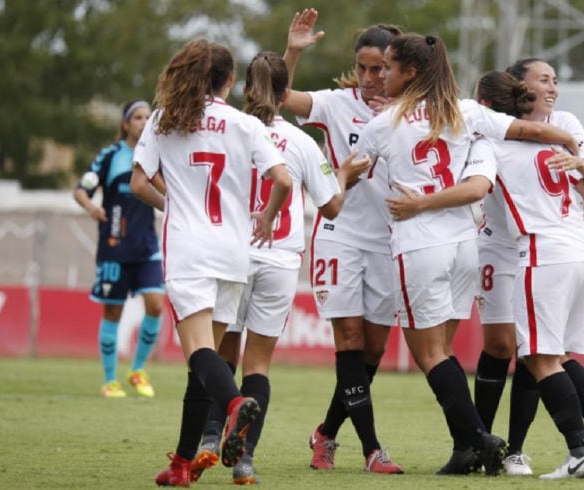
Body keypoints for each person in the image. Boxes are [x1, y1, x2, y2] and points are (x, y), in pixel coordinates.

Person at [357, 33, 580, 476]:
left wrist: (331, 179)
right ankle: (465, 449)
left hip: (418, 243)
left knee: (429, 355)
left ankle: (479, 439)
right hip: (464, 248)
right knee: (445, 351)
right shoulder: (465, 111)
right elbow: (530, 129)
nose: (382, 76)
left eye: (389, 67)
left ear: (411, 72)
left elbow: (350, 170)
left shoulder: (383, 124)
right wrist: (570, 141)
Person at [187, 51, 371, 485]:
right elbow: (332, 206)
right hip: (279, 260)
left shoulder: (228, 128)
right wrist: (342, 175)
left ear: (244, 88)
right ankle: (246, 457)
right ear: (286, 92)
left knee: (218, 356)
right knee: (258, 366)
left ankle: (211, 438)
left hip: (231, 256)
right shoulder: (302, 142)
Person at [129, 38, 292, 487]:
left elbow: (138, 183)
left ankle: (235, 404)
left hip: (189, 248)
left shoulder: (166, 118)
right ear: (229, 80)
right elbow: (282, 179)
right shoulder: (245, 124)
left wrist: (174, 202)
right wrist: (267, 215)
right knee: (202, 363)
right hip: (234, 250)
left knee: (199, 353)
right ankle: (182, 465)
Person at [474, 60, 584, 477]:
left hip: (541, 252)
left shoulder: (492, 143)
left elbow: (476, 188)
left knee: (539, 358)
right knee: (555, 354)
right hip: (579, 247)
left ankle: (580, 452)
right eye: (545, 80)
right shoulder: (553, 139)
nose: (553, 88)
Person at [281, 9, 404, 473]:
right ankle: (373, 449)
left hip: (389, 241)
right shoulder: (335, 104)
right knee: (349, 339)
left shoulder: (410, 112)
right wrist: (293, 50)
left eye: (380, 68)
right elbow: (277, 98)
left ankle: (326, 432)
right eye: (364, 68)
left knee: (371, 351)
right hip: (339, 234)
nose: (371, 78)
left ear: (397, 68)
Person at [73, 99, 165, 399]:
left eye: (148, 117)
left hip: (147, 246)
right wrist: (91, 208)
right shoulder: (110, 155)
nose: (143, 122)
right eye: (137, 117)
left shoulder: (156, 154)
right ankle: (110, 379)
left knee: (155, 304)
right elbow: (81, 189)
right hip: (114, 245)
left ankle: (137, 370)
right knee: (113, 311)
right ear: (125, 123)